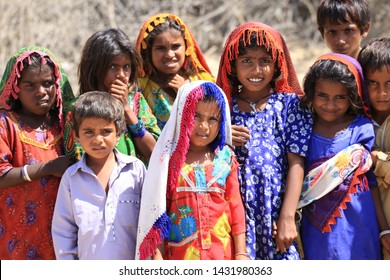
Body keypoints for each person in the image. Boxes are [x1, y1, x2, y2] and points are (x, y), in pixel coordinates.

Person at [216, 22, 312, 260]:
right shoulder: (221, 108)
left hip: (275, 217)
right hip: (232, 219)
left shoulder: (289, 105)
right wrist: (222, 135)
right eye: (246, 61)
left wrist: (288, 217)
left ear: (277, 63)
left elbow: (297, 163)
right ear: (232, 65)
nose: (256, 70)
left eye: (265, 61)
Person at [135, 81, 248, 260]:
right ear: (182, 115)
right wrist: (158, 256)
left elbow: (236, 208)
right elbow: (157, 212)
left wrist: (241, 253)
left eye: (213, 119)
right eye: (197, 116)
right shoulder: (167, 161)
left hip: (222, 256)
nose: (204, 126)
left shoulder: (226, 158)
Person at [298, 52, 384, 259]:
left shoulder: (361, 129)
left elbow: (371, 182)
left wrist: (384, 228)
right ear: (311, 92)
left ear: (352, 96)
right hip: (314, 229)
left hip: (359, 226)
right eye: (322, 96)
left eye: (340, 97)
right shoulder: (302, 128)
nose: (330, 105)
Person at [0, 46, 75, 259]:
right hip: (15, 241)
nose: (41, 92)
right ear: (15, 88)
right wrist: (47, 168)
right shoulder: (6, 124)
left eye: (48, 83)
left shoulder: (66, 124)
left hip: (62, 239)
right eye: (30, 85)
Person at [52, 91, 146, 260]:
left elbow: (149, 222)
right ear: (77, 136)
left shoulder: (135, 170)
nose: (97, 139)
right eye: (88, 132)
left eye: (105, 131)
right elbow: (64, 233)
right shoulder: (72, 178)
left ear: (118, 134)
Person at [65, 28, 160, 165]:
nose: (121, 74)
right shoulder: (77, 108)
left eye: (126, 67)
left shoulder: (137, 103)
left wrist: (127, 110)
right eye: (113, 67)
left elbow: (155, 153)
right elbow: (75, 161)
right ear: (96, 69)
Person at [136, 13, 215, 129]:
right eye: (160, 48)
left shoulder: (203, 81)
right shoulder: (141, 88)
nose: (169, 54)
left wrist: (187, 92)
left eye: (176, 46)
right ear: (149, 53)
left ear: (186, 47)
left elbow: (215, 119)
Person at [358, 37, 390, 259]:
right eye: (372, 83)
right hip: (364, 227)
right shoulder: (352, 121)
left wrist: (377, 160)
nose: (382, 93)